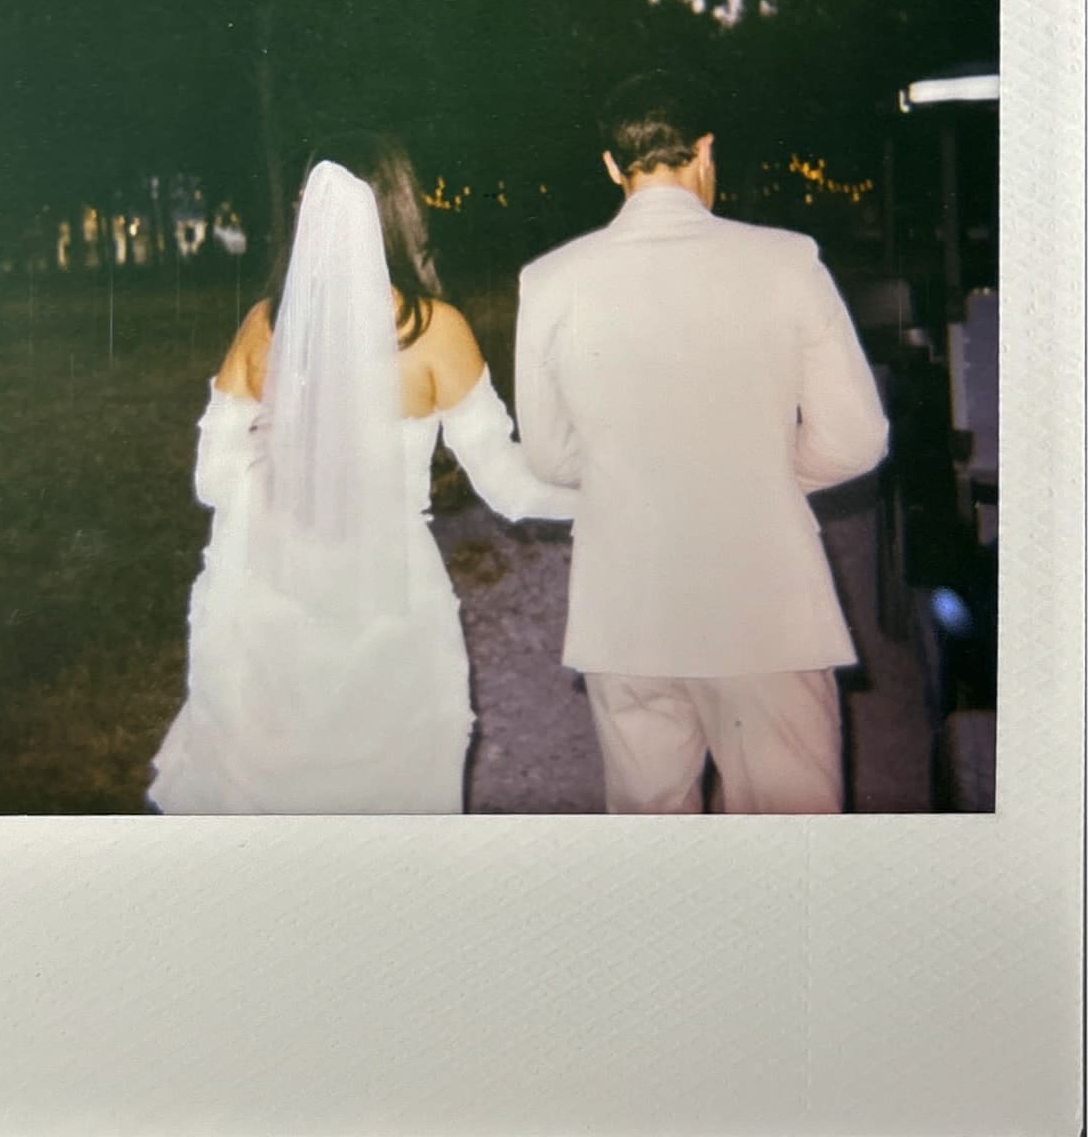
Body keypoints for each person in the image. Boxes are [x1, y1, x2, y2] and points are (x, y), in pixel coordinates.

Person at [148, 132, 576, 815]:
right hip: (383, 605)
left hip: (264, 599)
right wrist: (612, 491)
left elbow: (211, 483)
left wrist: (272, 452)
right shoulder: (435, 332)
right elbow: (511, 488)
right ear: (401, 210)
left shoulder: (263, 329)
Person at [514, 73, 889, 814]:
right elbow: (855, 439)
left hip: (627, 615)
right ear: (705, 152)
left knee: (655, 854)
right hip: (762, 612)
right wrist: (760, 473)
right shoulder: (787, 260)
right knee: (790, 845)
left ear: (611, 167)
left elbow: (550, 459)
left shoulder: (549, 281)